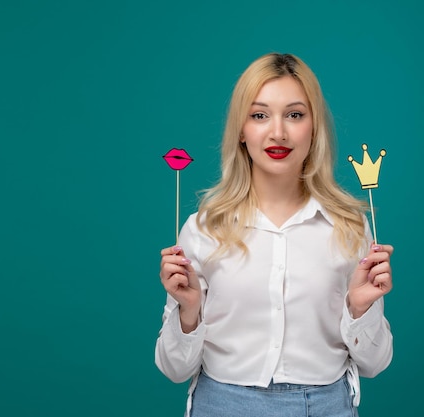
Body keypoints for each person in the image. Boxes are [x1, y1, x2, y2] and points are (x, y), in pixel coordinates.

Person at [155, 53, 393, 417]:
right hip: (221, 405)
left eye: (295, 115)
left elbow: (376, 364)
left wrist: (359, 310)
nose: (278, 132)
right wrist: (188, 313)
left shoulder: (351, 227)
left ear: (314, 128)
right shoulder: (203, 229)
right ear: (241, 130)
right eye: (259, 115)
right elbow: (174, 370)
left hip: (326, 406)